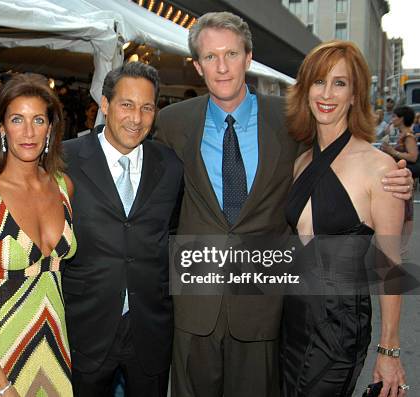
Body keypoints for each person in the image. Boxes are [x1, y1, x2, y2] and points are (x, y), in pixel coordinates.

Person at [154, 11, 413, 397]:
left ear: (249, 57)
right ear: (196, 65)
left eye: (231, 54)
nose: (222, 67)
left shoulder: (288, 122)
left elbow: (355, 177)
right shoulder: (171, 122)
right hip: (196, 303)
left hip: (269, 309)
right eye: (210, 57)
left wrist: (400, 184)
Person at [282, 40, 407, 397]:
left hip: (338, 330)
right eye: (319, 81)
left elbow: (390, 267)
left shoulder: (379, 168)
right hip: (291, 320)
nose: (327, 93)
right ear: (306, 90)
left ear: (355, 95)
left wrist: (389, 350)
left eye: (340, 83)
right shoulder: (300, 163)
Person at [62, 62, 183, 396]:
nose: (136, 118)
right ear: (105, 105)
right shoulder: (64, 160)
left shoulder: (170, 165)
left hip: (150, 328)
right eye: (126, 105)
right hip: (86, 325)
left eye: (146, 108)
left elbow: (172, 234)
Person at [0, 73, 75, 397]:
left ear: (50, 129)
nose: (28, 132)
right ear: (1, 128)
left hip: (54, 348)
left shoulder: (64, 187)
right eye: (17, 119)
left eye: (38, 119)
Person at [381, 105, 418, 253]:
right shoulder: (403, 135)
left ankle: (402, 246)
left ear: (402, 118)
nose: (392, 119)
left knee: (407, 213)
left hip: (406, 178)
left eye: (395, 117)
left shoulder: (408, 136)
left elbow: (413, 156)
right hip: (401, 177)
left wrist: (393, 152)